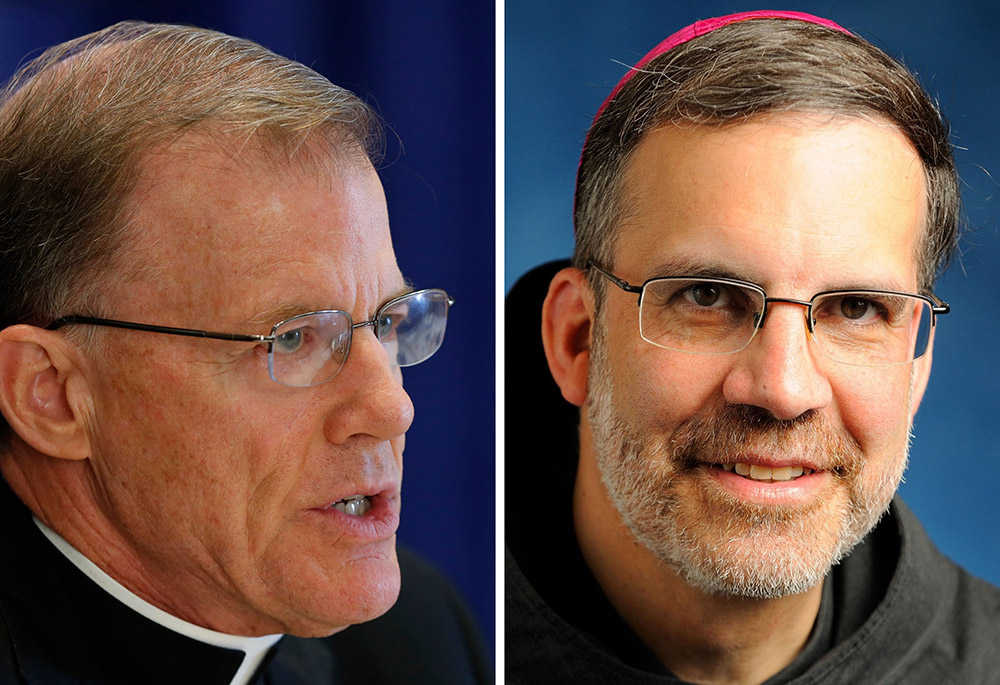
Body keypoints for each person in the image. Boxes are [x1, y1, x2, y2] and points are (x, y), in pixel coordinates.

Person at [506, 10, 1000, 684]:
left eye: (857, 307)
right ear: (577, 340)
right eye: (707, 296)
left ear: (916, 366)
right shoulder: (400, 643)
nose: (783, 389)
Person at [0, 21, 490, 684]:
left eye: (387, 321)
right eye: (293, 337)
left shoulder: (417, 641)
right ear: (52, 394)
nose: (391, 406)